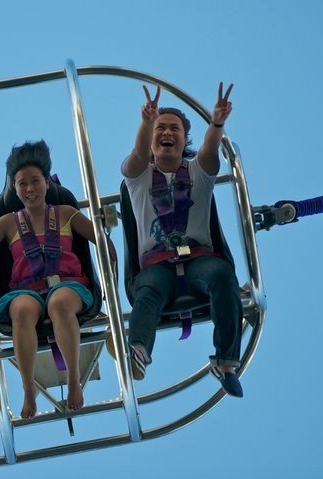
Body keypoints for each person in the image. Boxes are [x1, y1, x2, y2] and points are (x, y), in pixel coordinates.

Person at [121, 83, 244, 397]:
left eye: (174, 129)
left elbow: (209, 151)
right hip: (157, 264)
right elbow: (136, 155)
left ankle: (226, 361)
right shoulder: (139, 178)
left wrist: (216, 124)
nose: (167, 133)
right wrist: (147, 123)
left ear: (184, 139)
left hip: (198, 261)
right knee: (146, 290)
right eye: (160, 129)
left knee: (222, 275)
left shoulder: (199, 174)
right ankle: (138, 350)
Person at [0, 140, 114, 418]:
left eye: (35, 181)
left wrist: (109, 281)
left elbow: (103, 243)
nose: (29, 189)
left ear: (47, 183)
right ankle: (29, 389)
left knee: (60, 302)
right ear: (14, 188)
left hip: (68, 286)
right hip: (25, 292)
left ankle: (73, 379)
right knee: (22, 309)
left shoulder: (66, 214)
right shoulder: (5, 223)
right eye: (22, 183)